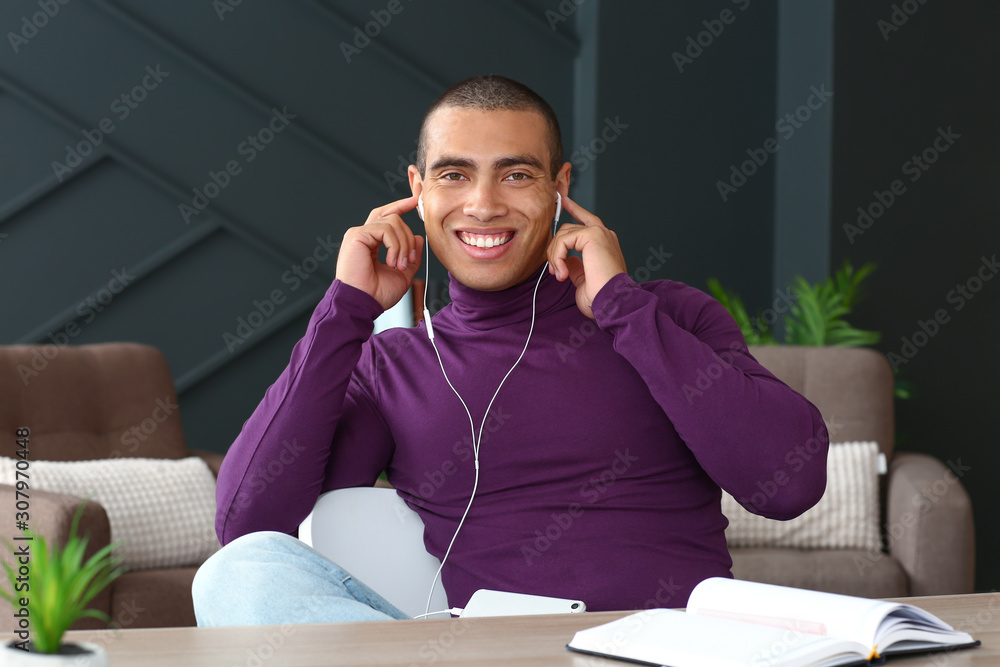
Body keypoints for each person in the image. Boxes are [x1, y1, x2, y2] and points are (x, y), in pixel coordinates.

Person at [192, 74, 829, 626]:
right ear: (418, 190)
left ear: (560, 187)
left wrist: (622, 307)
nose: (484, 204)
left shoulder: (669, 317)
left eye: (516, 174)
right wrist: (344, 312)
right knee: (238, 575)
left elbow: (789, 483)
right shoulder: (393, 365)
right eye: (453, 174)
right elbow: (250, 522)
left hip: (665, 647)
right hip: (485, 653)